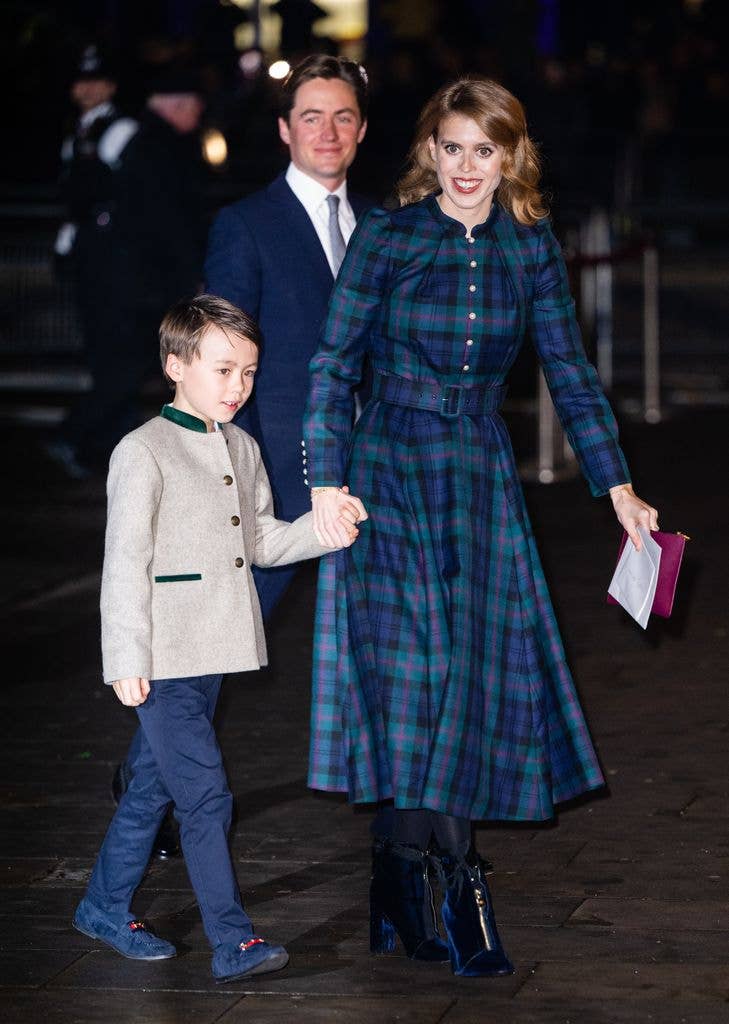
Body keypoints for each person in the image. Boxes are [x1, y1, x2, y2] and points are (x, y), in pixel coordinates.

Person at [303, 77, 659, 978]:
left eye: (485, 151)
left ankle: (395, 872)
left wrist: (617, 489)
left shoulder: (528, 245)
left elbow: (570, 373)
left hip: (477, 476)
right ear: (430, 149)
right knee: (419, 683)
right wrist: (325, 485)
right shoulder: (387, 236)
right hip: (386, 472)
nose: (467, 167)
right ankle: (460, 895)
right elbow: (333, 364)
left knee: (459, 679)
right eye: (452, 147)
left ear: (511, 156)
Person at [72, 294, 366, 983]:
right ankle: (232, 940)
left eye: (250, 373)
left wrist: (321, 531)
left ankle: (104, 905)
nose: (238, 386)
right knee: (205, 795)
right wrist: (125, 657)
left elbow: (260, 541)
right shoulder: (142, 451)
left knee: (152, 789)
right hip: (163, 658)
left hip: (214, 655)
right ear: (176, 366)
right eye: (223, 369)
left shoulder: (241, 445)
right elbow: (124, 564)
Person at [204, 53, 371, 621]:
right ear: (284, 128)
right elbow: (220, 360)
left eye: (343, 117)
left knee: (380, 626)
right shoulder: (245, 224)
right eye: (311, 117)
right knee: (234, 622)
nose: (328, 133)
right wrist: (241, 470)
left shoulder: (384, 225)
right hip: (277, 464)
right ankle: (173, 712)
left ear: (362, 128)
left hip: (376, 462)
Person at [51, 66, 209, 478]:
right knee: (126, 364)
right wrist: (189, 274)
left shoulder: (134, 135)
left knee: (123, 364)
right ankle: (74, 436)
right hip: (130, 279)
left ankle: (105, 451)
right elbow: (167, 218)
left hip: (116, 275)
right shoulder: (152, 142)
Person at [48, 44, 138, 480]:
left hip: (119, 263)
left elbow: (106, 193)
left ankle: (79, 435)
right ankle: (103, 447)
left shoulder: (120, 129)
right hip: (92, 261)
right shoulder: (77, 131)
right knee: (107, 358)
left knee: (122, 359)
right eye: (81, 82)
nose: (87, 89)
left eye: (96, 81)